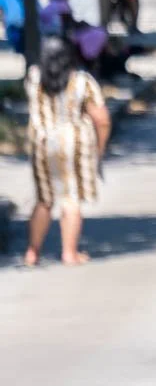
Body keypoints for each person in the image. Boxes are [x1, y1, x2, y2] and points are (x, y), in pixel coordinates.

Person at [23, 36, 110, 266]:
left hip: (42, 142)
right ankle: (69, 253)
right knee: (71, 198)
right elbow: (101, 119)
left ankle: (32, 252)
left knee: (44, 199)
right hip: (75, 143)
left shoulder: (33, 77)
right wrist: (100, 149)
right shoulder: (82, 82)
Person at [40, 0, 109, 72]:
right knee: (99, 33)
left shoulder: (58, 1)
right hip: (61, 36)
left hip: (58, 34)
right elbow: (68, 24)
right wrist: (83, 25)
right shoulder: (61, 3)